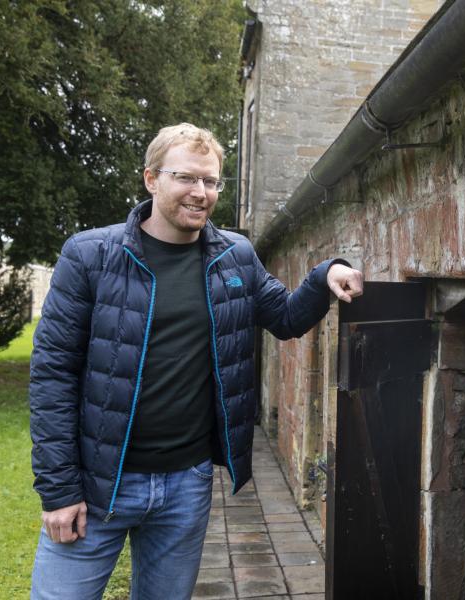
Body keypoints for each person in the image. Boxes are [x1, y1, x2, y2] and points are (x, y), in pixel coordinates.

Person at [28, 123, 363, 599]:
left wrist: (327, 272)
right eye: (186, 178)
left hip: (185, 485)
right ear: (151, 179)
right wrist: (60, 491)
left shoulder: (235, 256)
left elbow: (286, 318)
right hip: (98, 482)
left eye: (210, 181)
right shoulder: (90, 255)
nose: (200, 192)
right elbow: (52, 377)